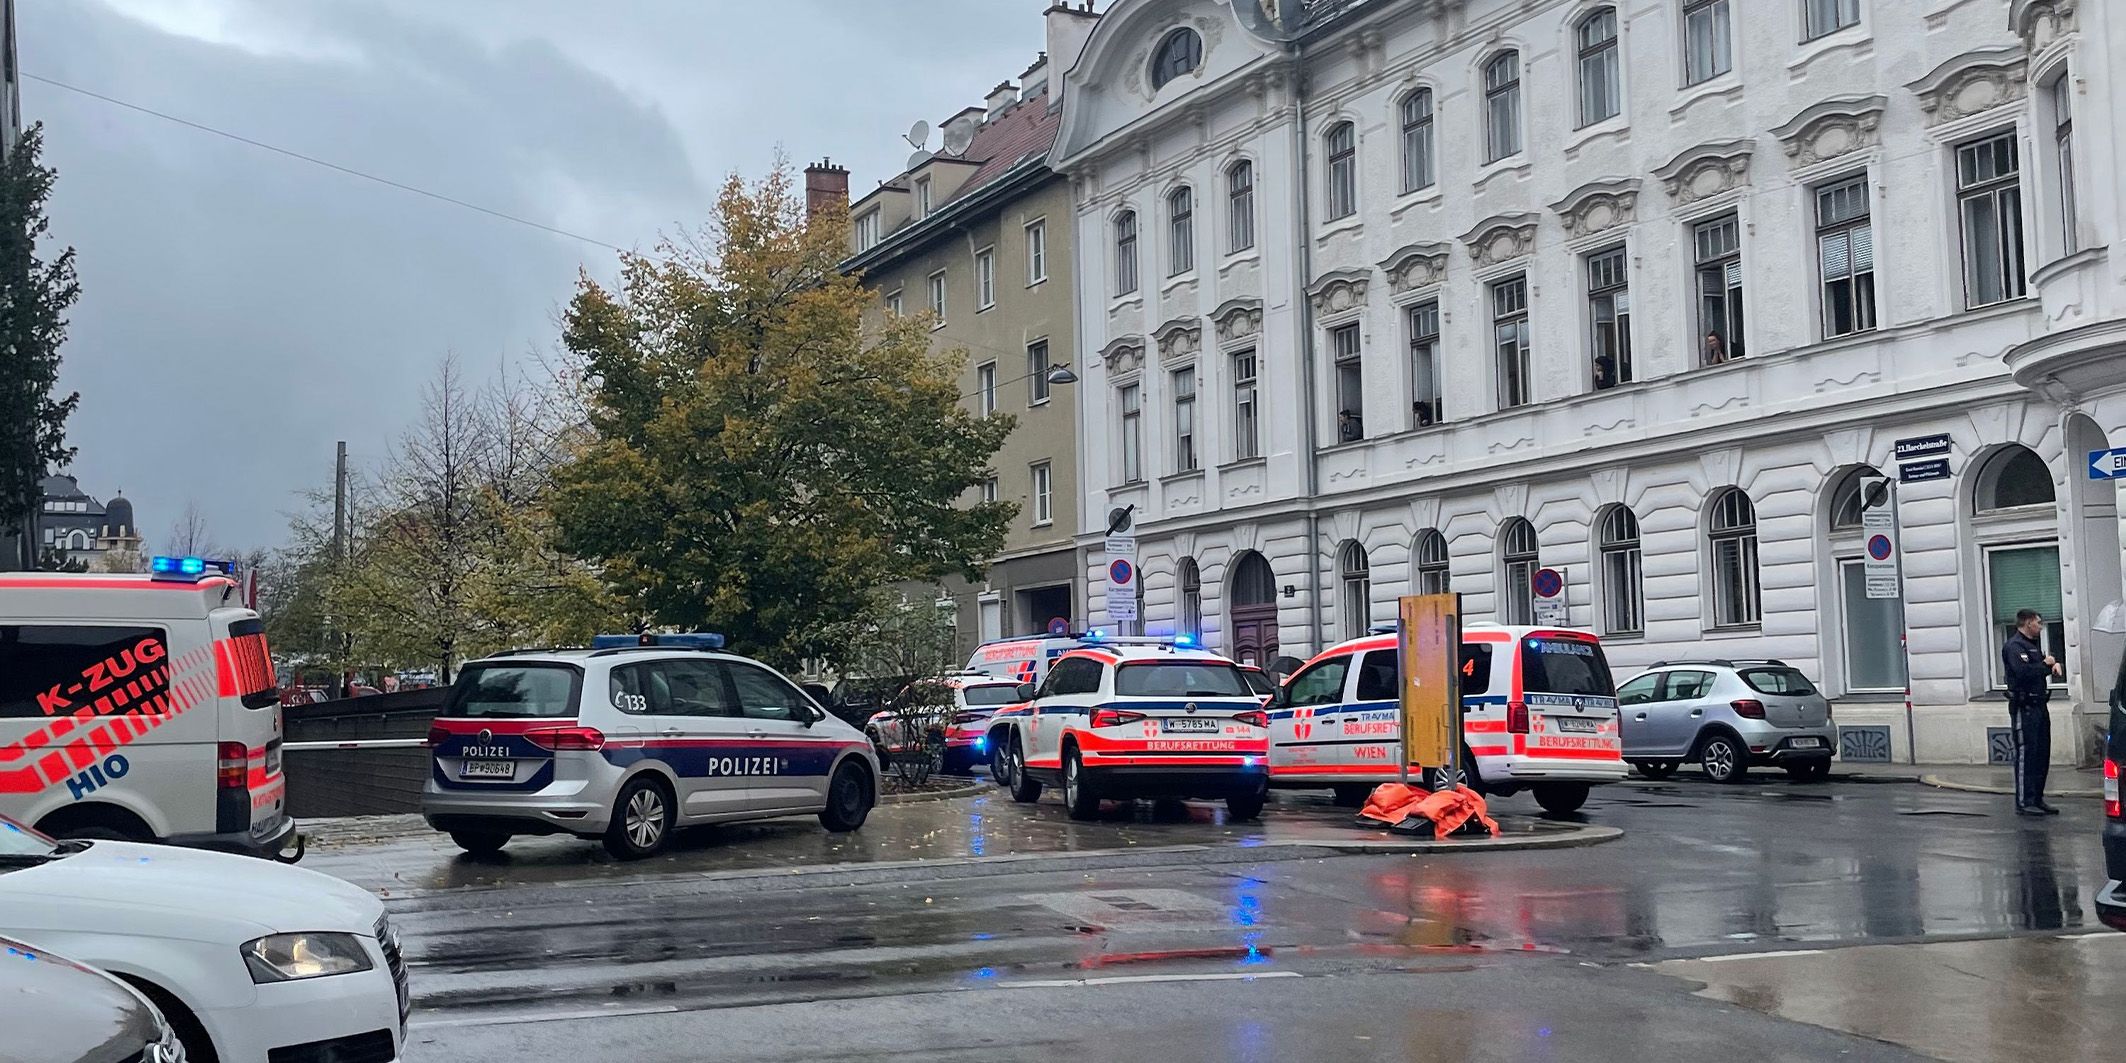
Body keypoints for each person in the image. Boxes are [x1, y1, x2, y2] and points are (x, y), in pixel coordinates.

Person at [2000, 609, 2062, 816]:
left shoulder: (2032, 646)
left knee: (2041, 754)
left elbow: (2040, 667)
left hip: (2039, 705)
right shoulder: (2014, 646)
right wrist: (2045, 665)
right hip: (2024, 706)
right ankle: (2024, 802)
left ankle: (2037, 798)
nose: (2041, 627)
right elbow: (2023, 672)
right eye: (2038, 623)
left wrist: (2053, 665)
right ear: (2027, 623)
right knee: (2026, 754)